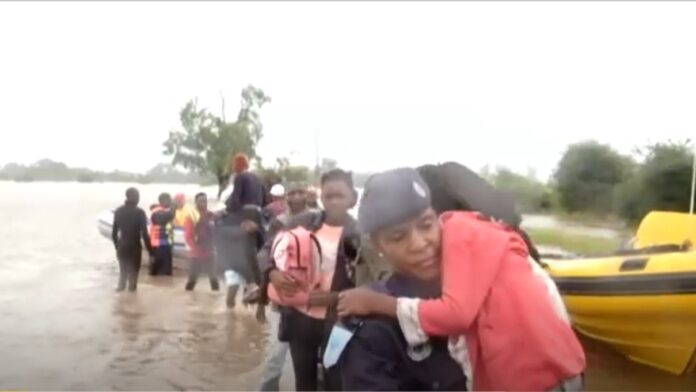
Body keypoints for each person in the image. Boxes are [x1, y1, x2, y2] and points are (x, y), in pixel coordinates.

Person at [337, 168, 585, 391]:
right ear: (379, 246)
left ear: (439, 219)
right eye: (398, 237)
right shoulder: (369, 328)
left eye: (426, 226)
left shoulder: (494, 273)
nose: (420, 244)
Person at [259, 169, 360, 392]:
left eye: (339, 196)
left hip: (339, 322)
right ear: (320, 197)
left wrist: (334, 298)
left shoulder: (362, 235)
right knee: (304, 383)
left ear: (353, 199)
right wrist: (273, 273)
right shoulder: (303, 222)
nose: (333, 202)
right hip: (300, 318)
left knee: (336, 382)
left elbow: (372, 284)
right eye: (328, 196)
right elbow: (267, 250)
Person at [257, 182, 309, 391]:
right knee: (275, 355)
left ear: (307, 195)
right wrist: (262, 302)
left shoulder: (319, 220)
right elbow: (266, 258)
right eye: (292, 193)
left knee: (312, 359)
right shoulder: (279, 222)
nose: (296, 197)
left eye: (300, 192)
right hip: (282, 300)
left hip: (313, 301)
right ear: (286, 197)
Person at [111, 187, 153, 292]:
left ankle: (119, 304)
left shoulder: (118, 211)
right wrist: (151, 252)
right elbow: (144, 234)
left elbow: (114, 233)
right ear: (133, 197)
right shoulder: (140, 212)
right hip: (134, 247)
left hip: (122, 246)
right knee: (133, 280)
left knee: (122, 277)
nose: (139, 199)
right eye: (138, 196)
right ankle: (131, 302)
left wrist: (117, 247)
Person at [184, 192, 220, 291]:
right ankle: (188, 300)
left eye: (205, 201)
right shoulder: (191, 216)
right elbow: (188, 236)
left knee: (213, 279)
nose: (203, 203)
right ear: (196, 202)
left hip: (210, 252)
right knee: (192, 280)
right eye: (201, 201)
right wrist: (195, 249)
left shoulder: (211, 215)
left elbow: (216, 232)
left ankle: (214, 302)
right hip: (196, 253)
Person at [149, 193, 175, 276]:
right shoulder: (158, 212)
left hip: (164, 244)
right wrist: (173, 208)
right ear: (163, 201)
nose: (171, 202)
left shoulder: (162, 210)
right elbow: (167, 217)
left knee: (165, 273)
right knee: (162, 273)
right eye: (169, 200)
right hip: (158, 245)